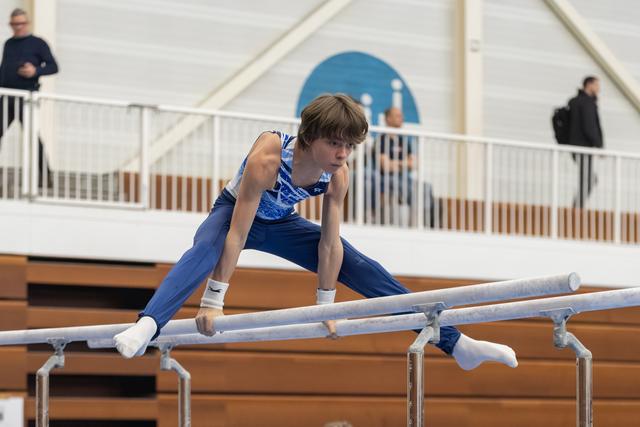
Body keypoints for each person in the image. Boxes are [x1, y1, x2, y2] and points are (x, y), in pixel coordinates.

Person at [114, 94, 518, 372]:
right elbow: (236, 234)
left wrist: (326, 306)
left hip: (282, 224)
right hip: (236, 214)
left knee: (361, 266)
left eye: (350, 146)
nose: (343, 154)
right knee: (204, 249)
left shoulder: (337, 176)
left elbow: (328, 243)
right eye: (336, 144)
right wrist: (213, 302)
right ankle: (148, 324)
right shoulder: (269, 158)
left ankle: (456, 344)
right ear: (310, 137)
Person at [0, 8, 58, 187]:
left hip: (27, 98)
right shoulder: (8, 44)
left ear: (27, 23)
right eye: (14, 24)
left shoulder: (38, 43)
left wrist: (35, 71)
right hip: (7, 97)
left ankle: (45, 175)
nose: (18, 27)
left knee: (33, 136)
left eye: (21, 24)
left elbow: (53, 66)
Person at [568, 76, 603, 208]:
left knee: (587, 178)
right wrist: (598, 145)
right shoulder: (587, 103)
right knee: (589, 179)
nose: (599, 89)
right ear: (589, 85)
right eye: (597, 85)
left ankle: (577, 206)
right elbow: (590, 126)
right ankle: (577, 208)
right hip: (583, 147)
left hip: (575, 146)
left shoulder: (575, 101)